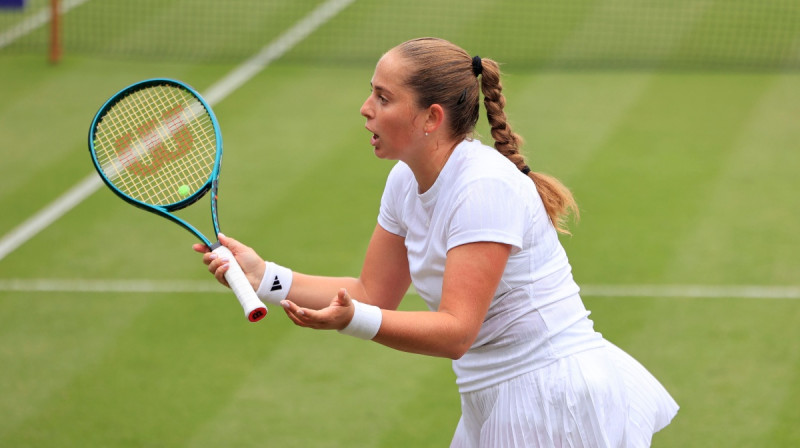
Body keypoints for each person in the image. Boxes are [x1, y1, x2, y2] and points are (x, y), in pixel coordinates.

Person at [195, 37, 678, 447]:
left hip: (552, 398)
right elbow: (370, 292)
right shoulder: (405, 182)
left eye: (383, 98)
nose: (365, 110)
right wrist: (264, 277)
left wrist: (353, 322)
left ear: (431, 118)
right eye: (371, 94)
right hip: (492, 396)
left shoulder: (482, 186)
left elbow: (455, 332)